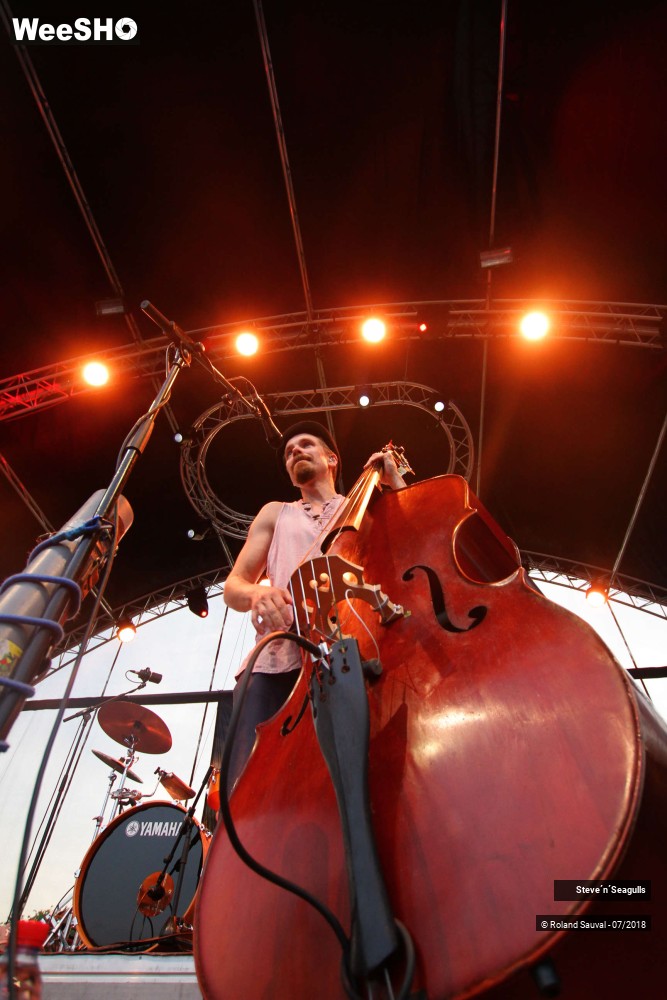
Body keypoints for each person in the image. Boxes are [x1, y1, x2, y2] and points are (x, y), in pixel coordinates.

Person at [222, 420, 405, 789]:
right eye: (289, 452)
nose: (295, 453)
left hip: (353, 651)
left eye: (305, 445)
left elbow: (412, 539)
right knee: (252, 783)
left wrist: (394, 481)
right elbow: (233, 585)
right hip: (279, 661)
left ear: (331, 458)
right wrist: (258, 593)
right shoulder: (276, 512)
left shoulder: (364, 507)